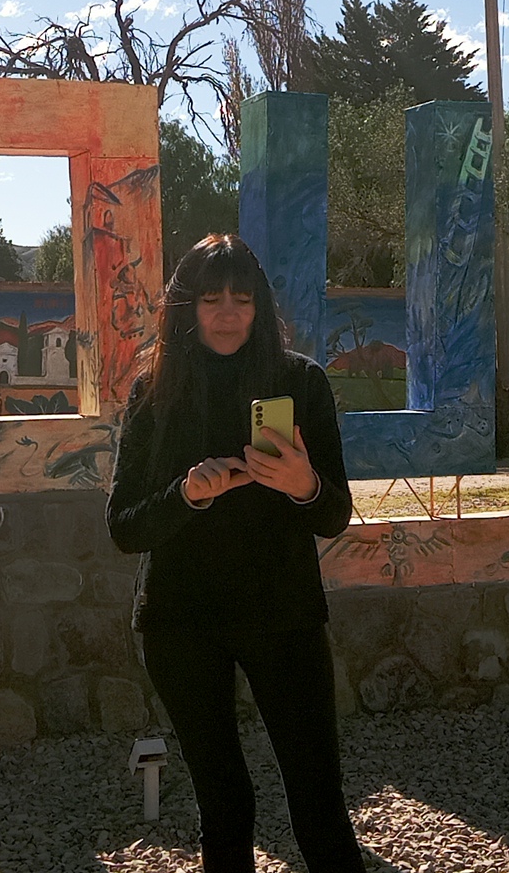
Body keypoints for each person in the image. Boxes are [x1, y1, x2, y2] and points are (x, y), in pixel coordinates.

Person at [108, 234, 362, 873]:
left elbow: (334, 514)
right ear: (185, 307)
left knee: (319, 805)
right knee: (225, 807)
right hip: (182, 623)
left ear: (260, 307)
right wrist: (187, 494)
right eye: (211, 297)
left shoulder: (299, 381)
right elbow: (123, 526)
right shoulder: (153, 391)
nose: (226, 311)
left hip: (285, 617)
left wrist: (303, 484)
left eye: (241, 299)